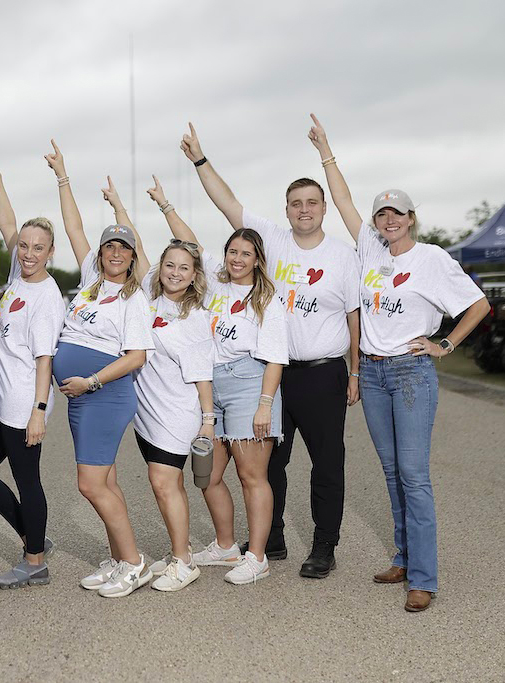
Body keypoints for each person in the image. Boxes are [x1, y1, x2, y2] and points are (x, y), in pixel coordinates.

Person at [308, 114, 490, 612]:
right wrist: (326, 151)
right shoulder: (371, 249)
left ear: (412, 217)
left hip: (410, 374)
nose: (389, 220)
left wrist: (444, 345)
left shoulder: (431, 258)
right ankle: (405, 558)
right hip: (373, 370)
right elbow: (342, 201)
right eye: (382, 214)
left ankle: (424, 578)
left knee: (414, 474)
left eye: (398, 214)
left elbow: (478, 306)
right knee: (391, 472)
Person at [181, 123, 361, 579]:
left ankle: (324, 545)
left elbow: (354, 318)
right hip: (274, 373)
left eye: (312, 203)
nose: (304, 210)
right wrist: (200, 159)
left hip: (322, 373)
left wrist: (354, 372)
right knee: (271, 461)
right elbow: (226, 202)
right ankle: (272, 538)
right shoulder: (273, 241)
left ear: (324, 209)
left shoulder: (343, 255)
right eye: (296, 203)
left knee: (326, 463)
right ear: (287, 209)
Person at [153, 175, 288, 585]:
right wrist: (165, 205)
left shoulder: (266, 300)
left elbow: (276, 360)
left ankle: (258, 556)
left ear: (258, 260)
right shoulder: (213, 285)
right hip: (213, 388)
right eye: (232, 251)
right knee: (207, 475)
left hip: (250, 385)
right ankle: (227, 546)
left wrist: (265, 404)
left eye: (246, 253)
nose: (237, 258)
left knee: (252, 476)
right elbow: (188, 241)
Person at [43, 141, 155, 598]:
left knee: (89, 484)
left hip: (103, 394)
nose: (113, 252)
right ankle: (117, 558)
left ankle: (134, 562)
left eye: (122, 248)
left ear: (132, 256)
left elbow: (136, 358)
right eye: (108, 245)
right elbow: (72, 228)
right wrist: (63, 177)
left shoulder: (134, 299)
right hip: (80, 395)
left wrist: (89, 380)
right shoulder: (91, 284)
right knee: (105, 479)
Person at [104, 175, 215, 592]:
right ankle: (178, 552)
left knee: (165, 482)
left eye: (183, 268)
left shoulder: (195, 318)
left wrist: (207, 421)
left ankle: (183, 561)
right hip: (146, 414)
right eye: (169, 265)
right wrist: (118, 205)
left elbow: (202, 375)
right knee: (161, 482)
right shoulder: (148, 302)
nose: (174, 272)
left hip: (177, 414)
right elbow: (136, 244)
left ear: (193, 276)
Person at [0, 143, 64, 589]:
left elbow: (45, 359)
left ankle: (35, 561)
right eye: (23, 245)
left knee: (29, 481)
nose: (26, 252)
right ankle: (33, 535)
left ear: (50, 252)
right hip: (3, 401)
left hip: (25, 404)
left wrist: (39, 410)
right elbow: (6, 221)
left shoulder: (46, 298)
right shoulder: (16, 278)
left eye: (36, 247)